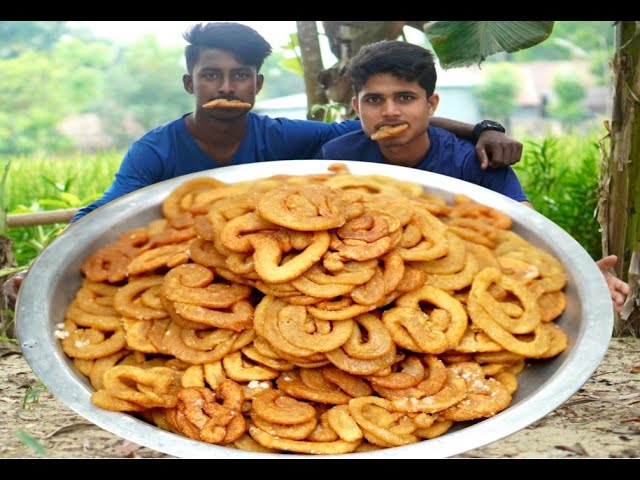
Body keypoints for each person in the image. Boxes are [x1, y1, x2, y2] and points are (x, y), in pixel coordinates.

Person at [0, 21, 525, 310]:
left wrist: (484, 130)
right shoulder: (154, 150)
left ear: (257, 85)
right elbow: (107, 209)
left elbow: (379, 124)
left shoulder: (287, 135)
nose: (225, 87)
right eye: (211, 75)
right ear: (191, 83)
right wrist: (40, 270)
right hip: (207, 272)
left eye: (239, 75)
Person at [316, 39, 630, 312]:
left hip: (464, 292)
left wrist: (584, 273)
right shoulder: (336, 159)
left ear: (431, 104)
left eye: (405, 98)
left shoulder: (475, 160)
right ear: (357, 106)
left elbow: (529, 229)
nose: (390, 111)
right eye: (374, 100)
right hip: (364, 293)